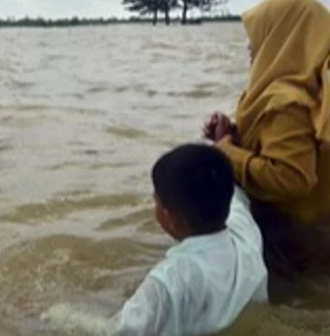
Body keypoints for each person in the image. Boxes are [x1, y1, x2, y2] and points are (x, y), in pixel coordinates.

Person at [42, 143, 267, 336]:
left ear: (169, 217)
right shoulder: (246, 231)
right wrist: (222, 144)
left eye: (156, 201)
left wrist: (54, 315)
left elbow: (119, 332)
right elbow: (235, 195)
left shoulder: (170, 280)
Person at [203, 0, 330, 300]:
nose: (250, 46)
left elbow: (291, 180)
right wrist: (233, 133)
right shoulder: (312, 87)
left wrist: (226, 151)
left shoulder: (286, 102)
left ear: (282, 37)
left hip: (296, 243)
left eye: (259, 34)